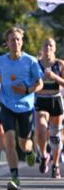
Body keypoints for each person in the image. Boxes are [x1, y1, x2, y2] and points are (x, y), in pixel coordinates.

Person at [0, 26, 43, 190]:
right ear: (7, 43)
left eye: (18, 39)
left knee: (23, 144)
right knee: (9, 140)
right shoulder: (1, 61)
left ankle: (29, 152)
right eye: (12, 40)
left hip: (26, 107)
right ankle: (14, 176)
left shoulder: (31, 61)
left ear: (22, 42)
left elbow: (40, 84)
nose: (15, 42)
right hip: (7, 105)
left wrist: (27, 90)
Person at [35, 37, 64, 179]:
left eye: (51, 45)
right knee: (40, 130)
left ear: (55, 48)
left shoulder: (60, 64)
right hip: (41, 99)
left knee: (55, 136)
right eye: (45, 45)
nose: (48, 48)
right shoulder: (36, 64)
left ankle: (56, 165)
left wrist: (54, 76)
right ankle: (44, 155)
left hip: (56, 100)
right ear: (42, 47)